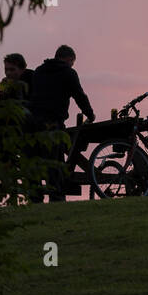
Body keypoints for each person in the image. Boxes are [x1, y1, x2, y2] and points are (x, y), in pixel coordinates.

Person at [24, 45, 96, 203]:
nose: (72, 65)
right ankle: (56, 200)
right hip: (52, 124)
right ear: (69, 59)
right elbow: (79, 95)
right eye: (72, 62)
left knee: (34, 163)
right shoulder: (68, 73)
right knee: (54, 165)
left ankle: (35, 200)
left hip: (32, 124)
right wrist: (90, 114)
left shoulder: (39, 71)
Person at [0, 54, 34, 199]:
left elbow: (33, 103)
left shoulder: (31, 78)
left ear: (22, 69)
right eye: (6, 70)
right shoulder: (5, 83)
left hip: (26, 123)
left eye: (12, 70)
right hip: (7, 123)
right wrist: (5, 94)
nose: (9, 73)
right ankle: (3, 158)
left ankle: (6, 159)